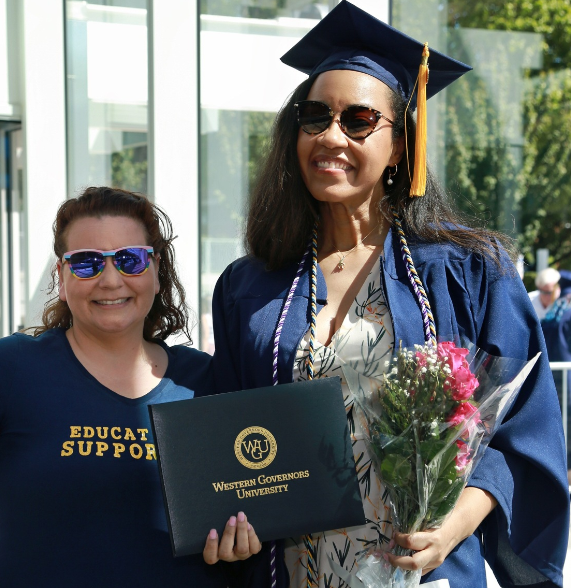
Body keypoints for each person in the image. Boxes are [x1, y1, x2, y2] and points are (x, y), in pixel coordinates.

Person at [211, 2, 569, 587]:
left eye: (358, 121)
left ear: (402, 145)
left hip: (421, 576)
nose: (330, 136)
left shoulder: (469, 272)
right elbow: (228, 447)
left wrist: (453, 527)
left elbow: (521, 432)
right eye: (314, 116)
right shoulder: (249, 287)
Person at [0, 186, 260, 586]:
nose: (110, 279)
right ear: (61, 275)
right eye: (86, 263)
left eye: (130, 260)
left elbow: (250, 494)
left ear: (156, 272)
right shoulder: (13, 369)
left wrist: (242, 539)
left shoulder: (206, 382)